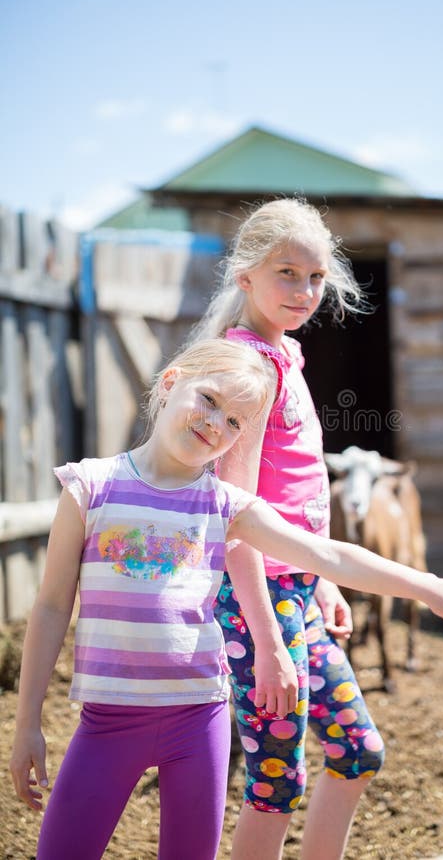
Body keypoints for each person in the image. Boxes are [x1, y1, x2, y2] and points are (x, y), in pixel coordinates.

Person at [189, 198, 443, 860]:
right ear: (245, 275)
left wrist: (319, 583)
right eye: (287, 273)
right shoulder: (246, 369)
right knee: (275, 788)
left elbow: (296, 499)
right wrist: (267, 641)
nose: (304, 290)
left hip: (296, 594)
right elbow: (236, 523)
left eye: (315, 277)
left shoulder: (286, 356)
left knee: (357, 751)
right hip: (257, 605)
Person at [10, 339, 298, 860]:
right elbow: (52, 605)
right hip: (108, 722)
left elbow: (328, 554)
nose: (216, 423)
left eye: (235, 421)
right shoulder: (90, 486)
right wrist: (27, 722)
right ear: (170, 383)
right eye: (209, 400)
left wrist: (430, 586)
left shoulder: (224, 506)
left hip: (199, 719)